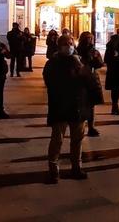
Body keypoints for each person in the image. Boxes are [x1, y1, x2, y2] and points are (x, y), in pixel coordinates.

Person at [43, 35, 102, 183]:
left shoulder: (79, 61)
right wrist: (74, 75)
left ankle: (76, 167)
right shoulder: (52, 63)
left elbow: (90, 80)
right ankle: (53, 170)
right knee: (57, 139)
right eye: (64, 43)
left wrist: (86, 69)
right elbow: (50, 83)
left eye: (70, 43)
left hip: (78, 106)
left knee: (77, 139)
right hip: (60, 106)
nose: (68, 46)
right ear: (59, 46)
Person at [77, 32, 105, 137]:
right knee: (82, 103)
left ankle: (91, 126)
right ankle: (80, 126)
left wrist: (95, 58)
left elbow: (100, 63)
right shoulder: (78, 50)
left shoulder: (93, 50)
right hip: (81, 78)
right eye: (87, 38)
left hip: (92, 78)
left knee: (91, 104)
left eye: (90, 38)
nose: (89, 40)